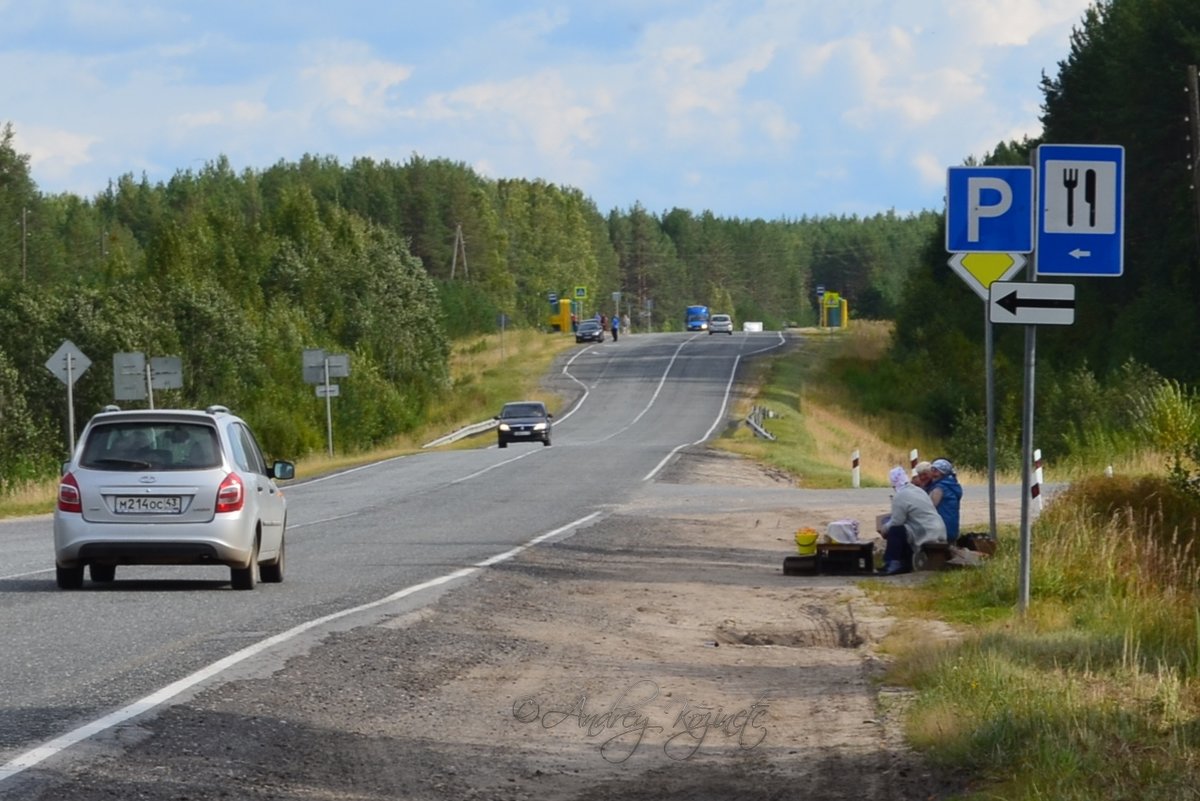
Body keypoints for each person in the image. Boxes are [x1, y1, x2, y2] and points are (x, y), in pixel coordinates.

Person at [878, 466, 947, 575]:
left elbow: (897, 522)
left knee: (896, 531)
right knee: (904, 531)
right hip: (939, 528)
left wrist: (884, 528)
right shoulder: (918, 491)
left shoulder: (900, 496)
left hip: (926, 531)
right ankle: (905, 562)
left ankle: (893, 562)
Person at [927, 458, 963, 544]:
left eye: (936, 471)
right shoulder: (952, 485)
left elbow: (929, 507)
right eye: (932, 470)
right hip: (952, 529)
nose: (932, 474)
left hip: (941, 530)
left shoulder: (940, 488)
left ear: (943, 473)